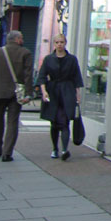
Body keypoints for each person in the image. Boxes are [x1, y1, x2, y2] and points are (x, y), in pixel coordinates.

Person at [36, 33, 83, 161]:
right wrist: (44, 91)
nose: (59, 45)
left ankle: (64, 149)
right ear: (54, 44)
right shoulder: (48, 59)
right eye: (57, 42)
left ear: (65, 43)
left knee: (65, 120)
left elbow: (76, 77)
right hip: (53, 91)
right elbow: (42, 76)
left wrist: (78, 94)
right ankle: (55, 148)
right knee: (54, 122)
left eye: (61, 42)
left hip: (67, 91)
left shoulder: (72, 59)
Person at [0, 30, 33, 162]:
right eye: (22, 38)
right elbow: (28, 75)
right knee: (12, 122)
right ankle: (7, 153)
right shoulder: (25, 53)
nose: (23, 40)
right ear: (17, 39)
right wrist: (29, 93)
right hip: (16, 94)